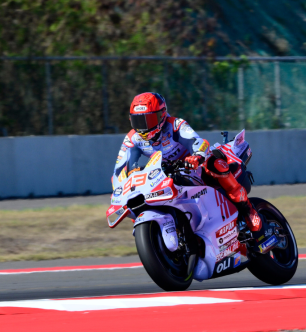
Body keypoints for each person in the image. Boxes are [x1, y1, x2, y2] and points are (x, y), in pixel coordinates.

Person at [113, 92, 271, 252]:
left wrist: (197, 156)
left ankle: (248, 210)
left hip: (193, 167)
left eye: (149, 120)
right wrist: (120, 186)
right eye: (138, 120)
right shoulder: (132, 139)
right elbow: (120, 169)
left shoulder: (175, 125)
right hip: (164, 175)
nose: (144, 126)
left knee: (215, 163)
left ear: (162, 115)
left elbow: (197, 141)